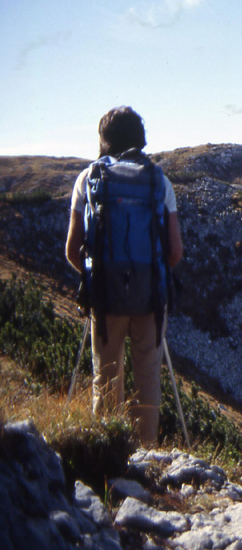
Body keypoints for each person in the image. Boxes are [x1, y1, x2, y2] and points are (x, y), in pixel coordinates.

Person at [65, 106, 183, 447]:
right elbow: (175, 252)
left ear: (105, 139)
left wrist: (94, 276)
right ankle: (147, 454)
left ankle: (108, 457)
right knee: (147, 377)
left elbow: (72, 249)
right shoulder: (159, 180)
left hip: (106, 297)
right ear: (140, 138)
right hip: (149, 298)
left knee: (106, 378)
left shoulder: (88, 178)